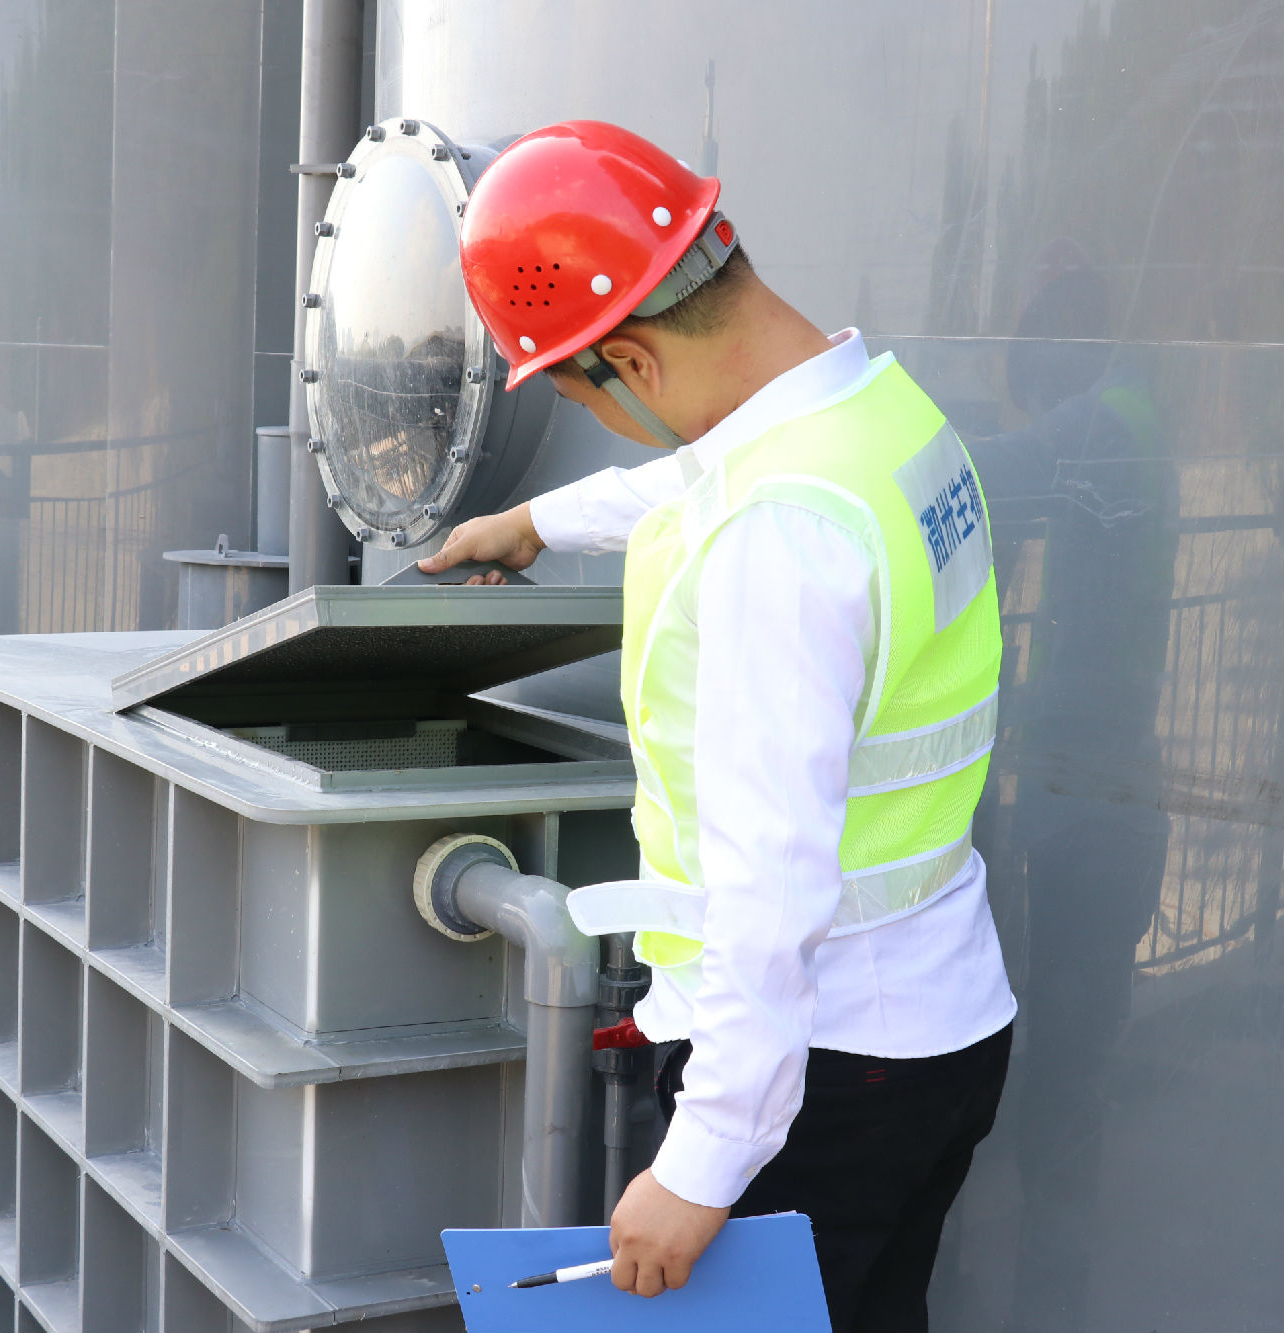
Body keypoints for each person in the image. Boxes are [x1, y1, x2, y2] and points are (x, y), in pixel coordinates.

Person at [418, 120, 1015, 1332]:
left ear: (629, 363)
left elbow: (767, 887)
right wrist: (539, 519)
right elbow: (709, 467)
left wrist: (700, 1165)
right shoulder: (877, 424)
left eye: (588, 391)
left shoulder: (771, 548)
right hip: (940, 1022)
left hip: (820, 1076)